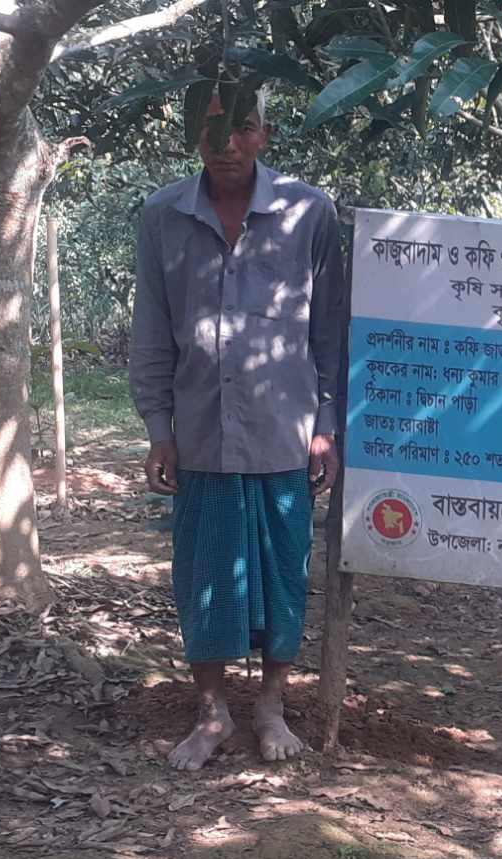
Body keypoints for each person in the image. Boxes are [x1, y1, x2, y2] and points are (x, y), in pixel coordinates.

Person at [130, 81, 348, 771]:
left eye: (243, 128)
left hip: (285, 435)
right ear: (192, 135)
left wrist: (326, 425)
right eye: (211, 128)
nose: (227, 144)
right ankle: (213, 711)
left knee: (284, 574)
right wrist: (159, 428)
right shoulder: (163, 216)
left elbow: (329, 330)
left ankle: (271, 707)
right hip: (200, 435)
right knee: (203, 576)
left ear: (264, 135)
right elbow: (152, 331)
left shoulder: (309, 212)